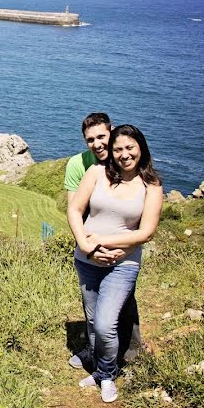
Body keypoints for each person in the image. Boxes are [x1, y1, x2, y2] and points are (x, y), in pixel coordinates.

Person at [67, 124, 163, 402]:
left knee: (105, 324)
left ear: (141, 147)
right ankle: (99, 369)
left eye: (130, 147)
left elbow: (146, 232)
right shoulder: (96, 173)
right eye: (118, 149)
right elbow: (74, 209)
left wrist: (104, 242)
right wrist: (86, 246)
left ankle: (107, 375)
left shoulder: (151, 185)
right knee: (94, 320)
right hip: (87, 259)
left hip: (124, 263)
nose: (124, 154)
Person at [64, 113, 145, 370]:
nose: (97, 144)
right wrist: (89, 249)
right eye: (91, 139)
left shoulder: (126, 159)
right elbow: (74, 208)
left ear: (111, 132)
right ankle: (94, 350)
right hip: (90, 237)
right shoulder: (80, 165)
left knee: (123, 298)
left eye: (102, 137)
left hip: (122, 244)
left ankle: (131, 346)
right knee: (93, 304)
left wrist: (117, 247)